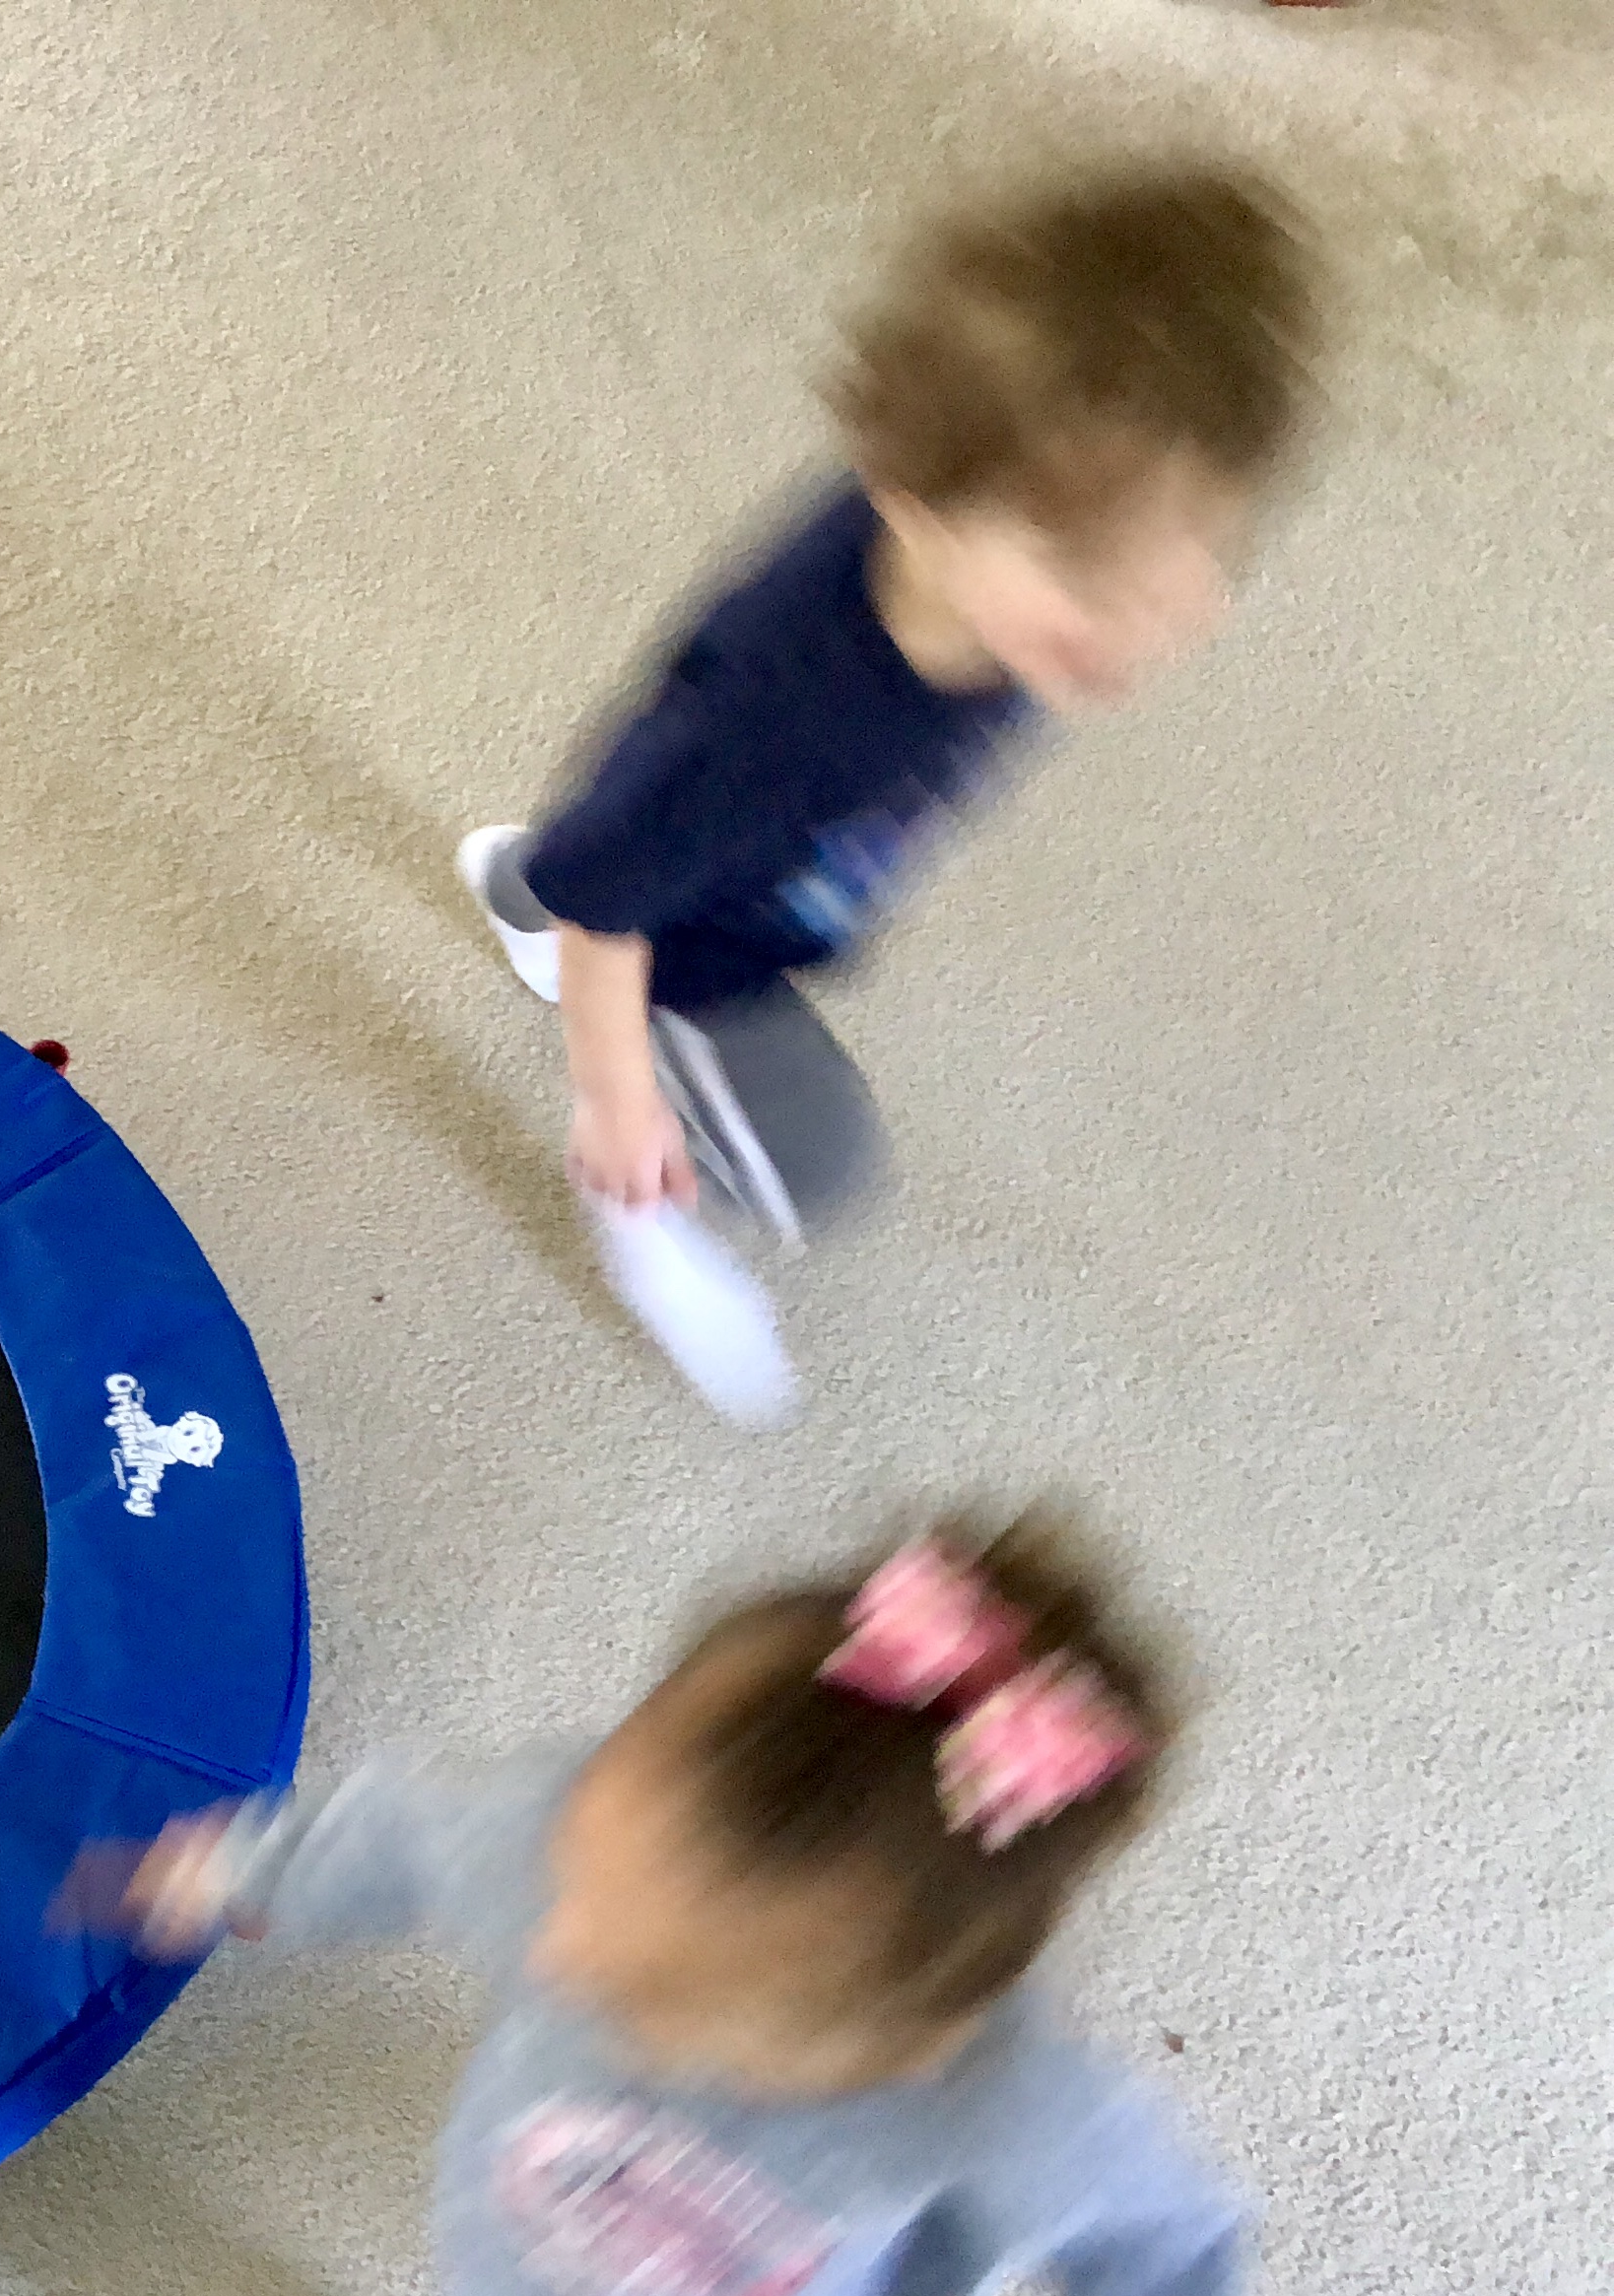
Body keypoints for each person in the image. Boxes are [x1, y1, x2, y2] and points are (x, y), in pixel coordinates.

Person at [82, 1519, 1242, 2296]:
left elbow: (1164, 2252)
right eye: (585, 1862)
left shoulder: (998, 2100)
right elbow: (409, 1828)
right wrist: (243, 1873)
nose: (558, 1944)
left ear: (913, 2036)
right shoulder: (554, 1837)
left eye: (649, 1992)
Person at [456, 163, 1326, 1424]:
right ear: (912, 510)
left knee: (614, 852)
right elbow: (616, 910)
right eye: (1096, 577)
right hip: (708, 951)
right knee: (813, 1161)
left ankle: (529, 880)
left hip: (718, 853)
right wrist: (617, 1102)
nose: (1162, 618)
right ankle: (622, 1145)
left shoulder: (989, 581)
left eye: (1201, 559)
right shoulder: (772, 718)